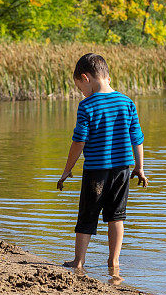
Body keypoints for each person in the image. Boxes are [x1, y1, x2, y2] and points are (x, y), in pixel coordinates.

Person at [57, 53, 147, 273]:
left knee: (87, 215)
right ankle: (113, 262)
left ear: (86, 78)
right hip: (122, 170)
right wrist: (140, 167)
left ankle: (79, 261)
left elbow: (79, 141)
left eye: (80, 87)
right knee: (117, 217)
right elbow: (137, 136)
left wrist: (67, 170)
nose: (82, 92)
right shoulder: (127, 103)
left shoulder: (87, 106)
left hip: (96, 170)